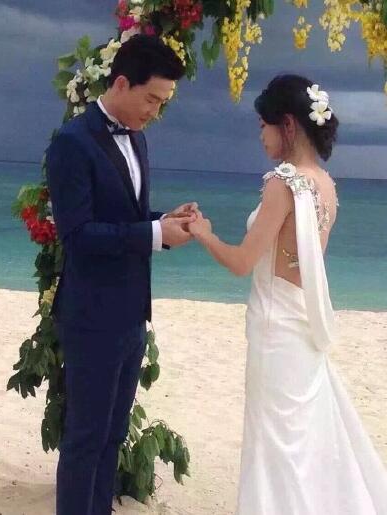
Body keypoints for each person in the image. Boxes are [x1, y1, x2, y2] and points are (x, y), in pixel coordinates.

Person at [188, 74, 387, 514]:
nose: (261, 135)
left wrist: (203, 233)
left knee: (272, 443)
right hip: (302, 325)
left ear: (289, 125)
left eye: (264, 125)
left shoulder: (283, 181)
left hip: (275, 328)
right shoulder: (326, 183)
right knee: (301, 441)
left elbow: (243, 262)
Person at [46, 34, 197, 515]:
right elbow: (78, 236)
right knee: (85, 438)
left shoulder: (139, 138)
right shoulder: (72, 143)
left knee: (112, 436)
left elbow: (125, 218)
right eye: (151, 98)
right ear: (122, 83)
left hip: (132, 312)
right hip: (91, 314)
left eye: (163, 102)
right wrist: (153, 233)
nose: (155, 110)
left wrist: (164, 222)